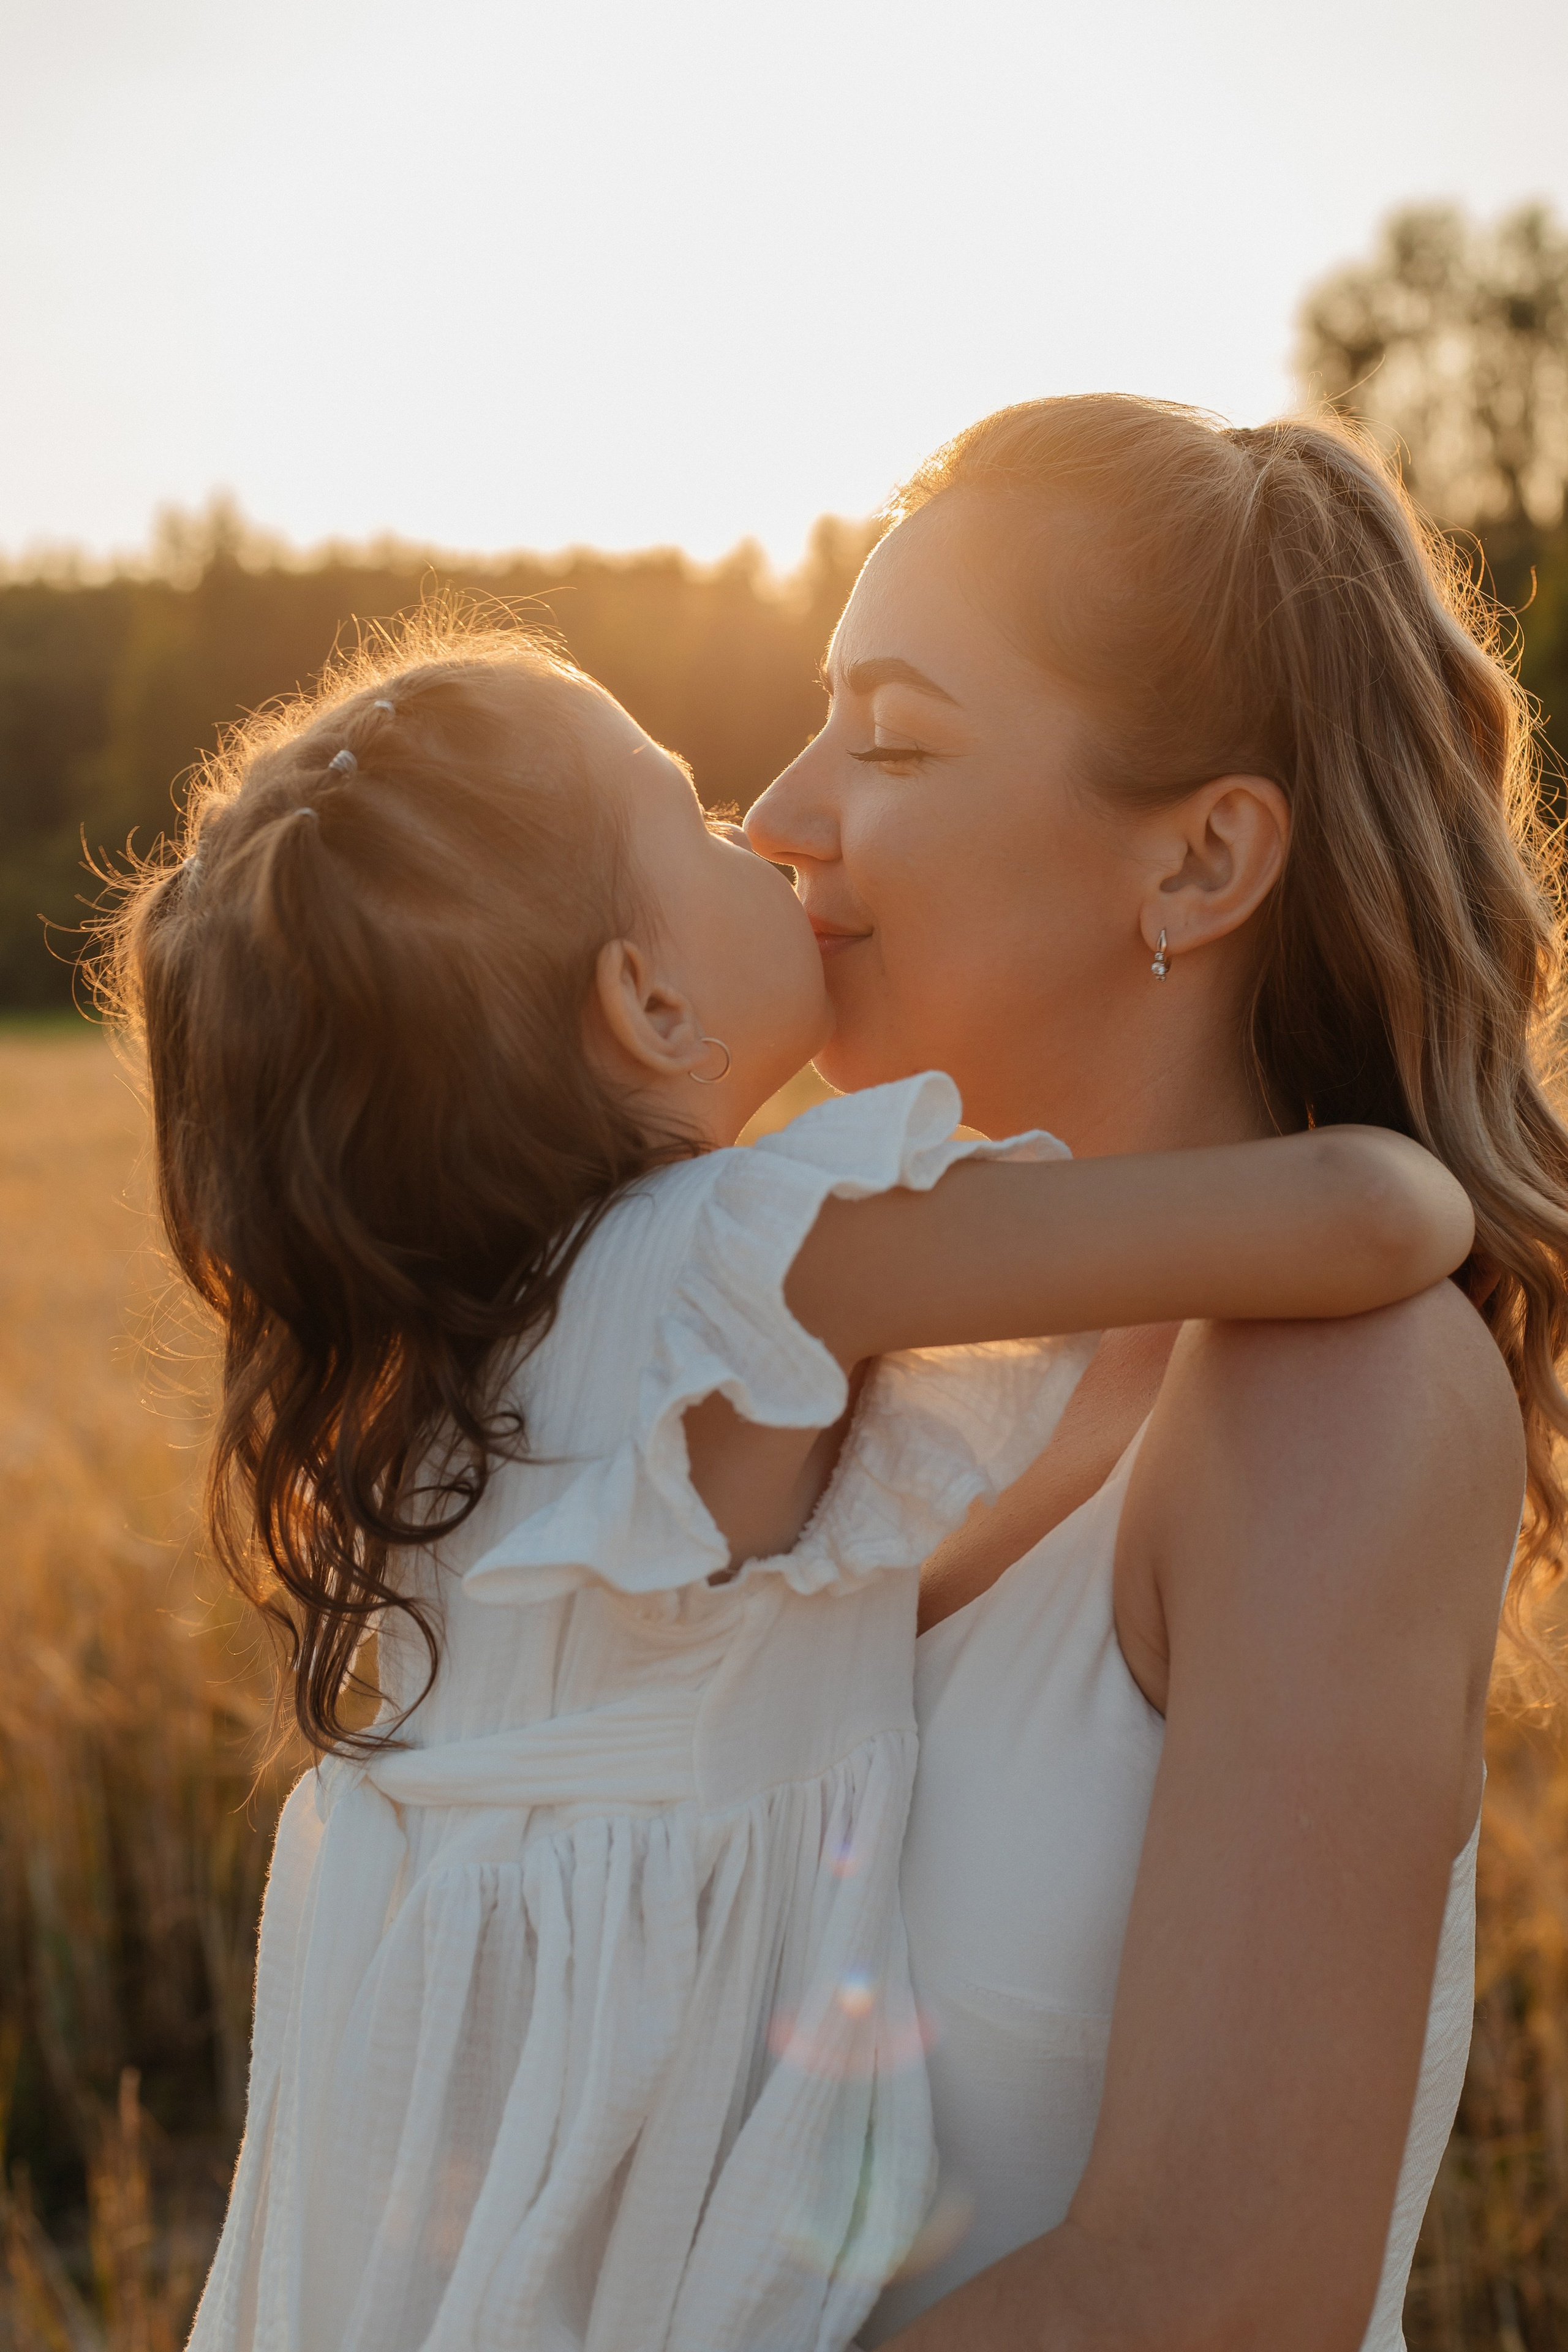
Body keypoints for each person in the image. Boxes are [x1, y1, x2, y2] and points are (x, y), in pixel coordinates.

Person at [101, 626, 1467, 2352]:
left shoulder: (456, 1384)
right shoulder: (745, 1264)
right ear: (649, 1002)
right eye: (693, 811)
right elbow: (1372, 1216)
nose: (777, 834)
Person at [745, 394, 1562, 2352]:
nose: (776, 812)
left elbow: (1219, 2294)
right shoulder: (884, 1382)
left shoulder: (1340, 1401)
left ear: (1199, 864)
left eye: (898, 738)